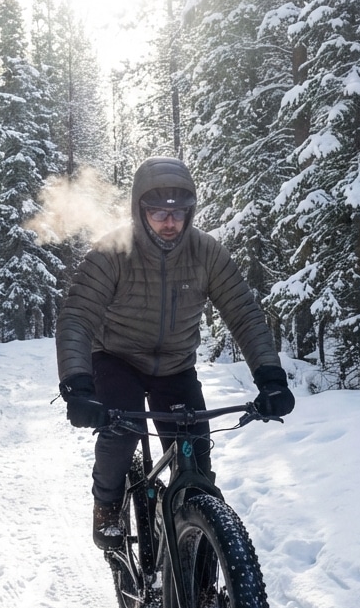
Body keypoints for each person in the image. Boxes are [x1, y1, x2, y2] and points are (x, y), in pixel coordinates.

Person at [56, 156, 294, 549]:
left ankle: (197, 563)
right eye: (158, 213)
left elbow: (245, 314)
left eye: (179, 213)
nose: (170, 223)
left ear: (190, 211)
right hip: (116, 357)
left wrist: (270, 377)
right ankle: (107, 505)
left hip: (175, 367)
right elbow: (77, 317)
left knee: (197, 462)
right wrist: (78, 386)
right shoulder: (112, 251)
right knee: (120, 432)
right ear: (140, 210)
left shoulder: (206, 253)